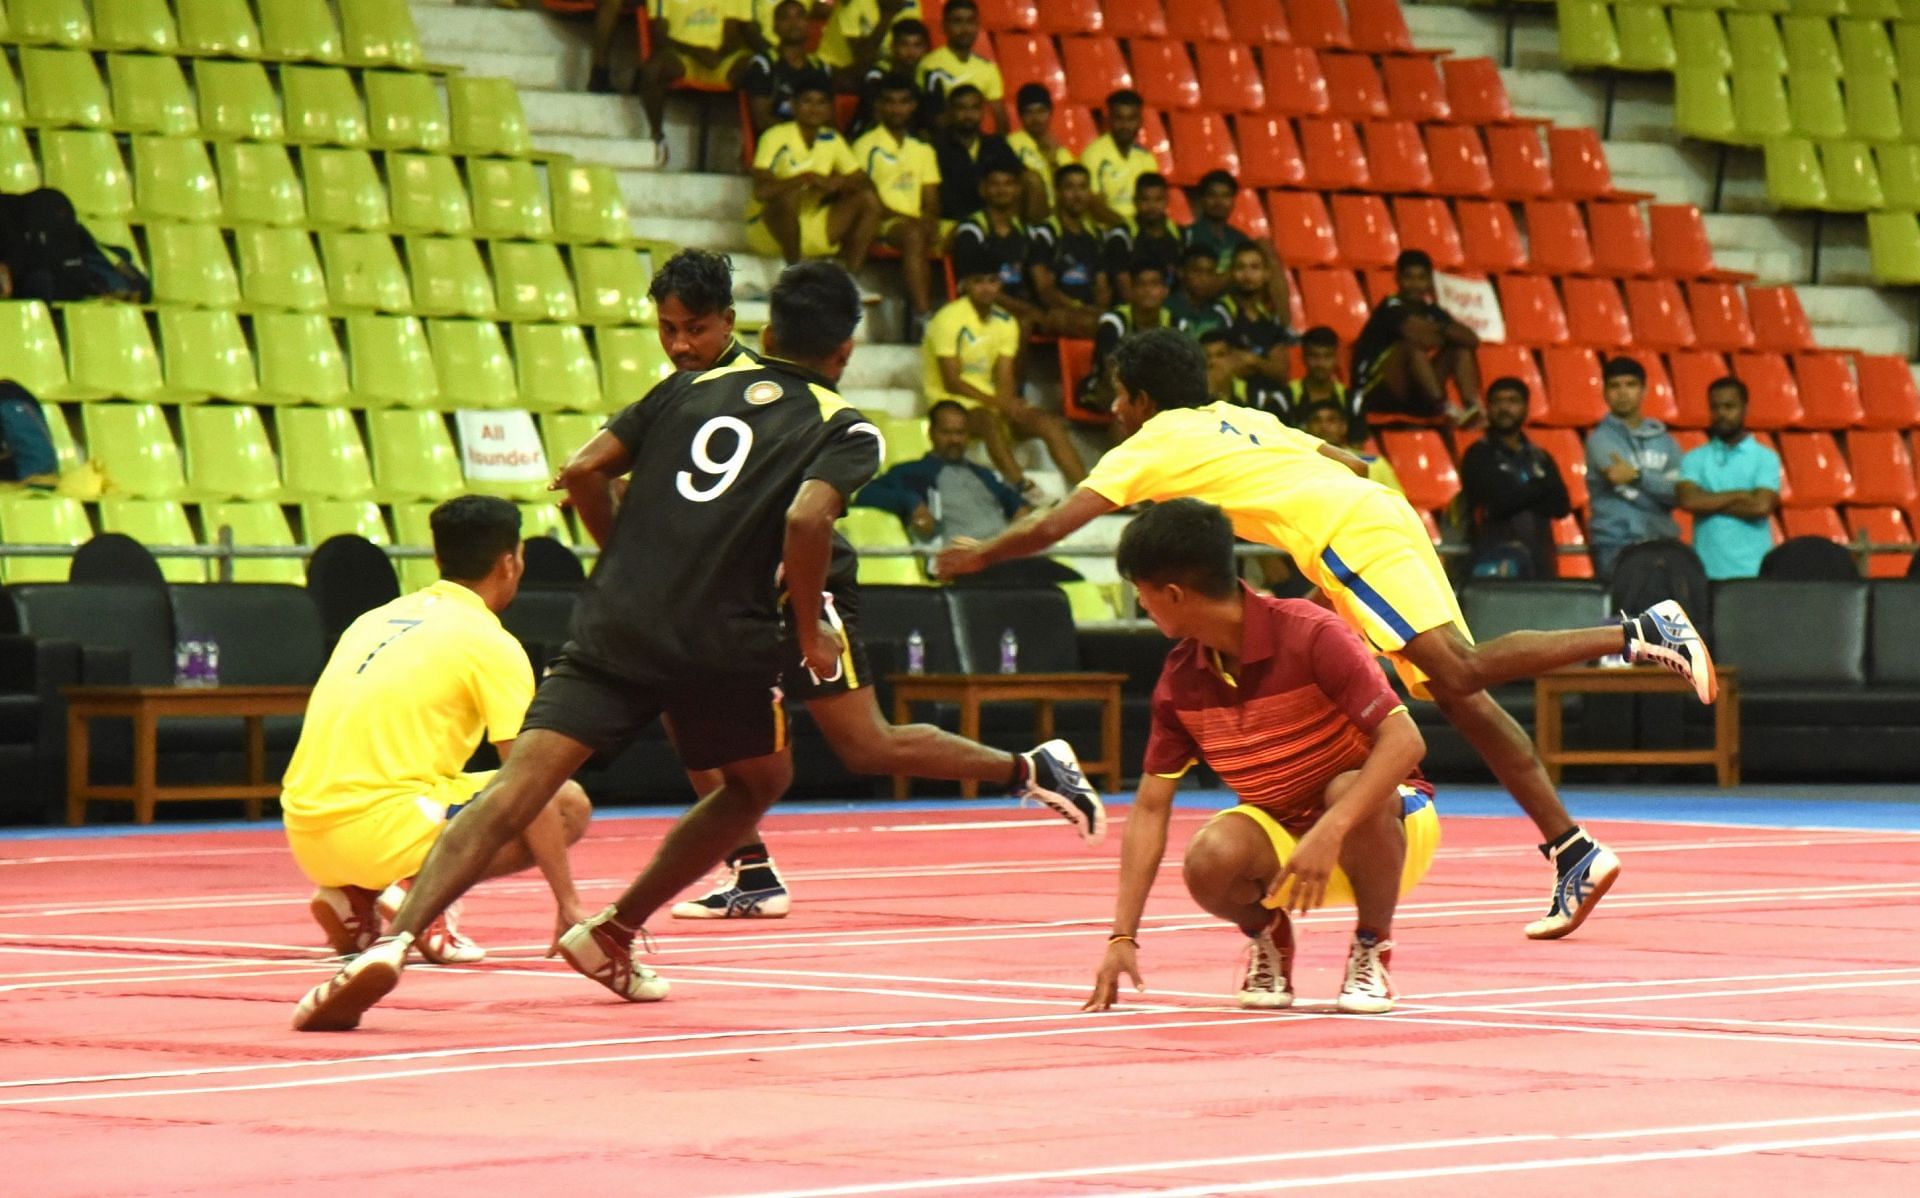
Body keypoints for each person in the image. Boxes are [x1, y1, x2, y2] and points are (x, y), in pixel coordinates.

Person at [291, 263, 1088, 1030]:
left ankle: (396, 939)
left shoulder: (687, 388)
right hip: (725, 634)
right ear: (844, 352)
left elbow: (580, 471)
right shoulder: (846, 426)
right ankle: (617, 927)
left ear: (762, 330)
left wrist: (627, 558)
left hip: (619, 620)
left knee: (517, 787)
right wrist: (808, 627)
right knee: (760, 780)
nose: (679, 341)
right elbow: (809, 520)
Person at [938, 329, 1725, 943]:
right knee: (1450, 686)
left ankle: (1636, 630)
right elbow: (1349, 458)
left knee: (1463, 668)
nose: (1113, 413)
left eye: (1116, 399)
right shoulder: (1237, 417)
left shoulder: (1147, 445)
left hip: (1345, 532)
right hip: (1372, 512)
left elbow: (1053, 526)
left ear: (1140, 400)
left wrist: (981, 553)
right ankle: (1572, 851)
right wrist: (1319, 568)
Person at [632, 251, 1100, 918]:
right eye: (670, 329)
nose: (681, 344)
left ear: (744, 330)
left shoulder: (804, 406)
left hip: (801, 586)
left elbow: (805, 517)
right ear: (845, 347)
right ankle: (753, 869)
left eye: (693, 330)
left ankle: (1031, 769)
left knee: (865, 744)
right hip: (730, 587)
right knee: (682, 709)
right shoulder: (693, 390)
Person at [1083, 499, 1439, 1015]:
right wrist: (1122, 937)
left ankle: (1371, 946)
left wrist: (1331, 828)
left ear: (1174, 594)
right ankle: (1270, 936)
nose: (1141, 603)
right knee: (1210, 857)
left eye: (1142, 591)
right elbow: (1151, 808)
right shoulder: (1180, 679)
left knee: (1347, 791)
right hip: (1288, 842)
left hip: (1388, 827)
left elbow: (1406, 741)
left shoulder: (1313, 633)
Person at [284, 496, 592, 966]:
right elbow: (532, 782)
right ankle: (420, 892)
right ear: (510, 563)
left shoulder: (375, 618)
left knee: (446, 791)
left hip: (305, 832)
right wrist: (568, 901)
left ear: (437, 558)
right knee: (567, 801)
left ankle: (357, 898)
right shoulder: (492, 643)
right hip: (383, 834)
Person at [923, 245, 1088, 491]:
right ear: (966, 284)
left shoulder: (1006, 322)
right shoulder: (948, 319)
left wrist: (1009, 405)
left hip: (991, 400)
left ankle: (1090, 492)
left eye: (993, 281)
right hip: (951, 403)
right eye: (979, 282)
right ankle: (1023, 487)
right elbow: (952, 381)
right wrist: (1000, 404)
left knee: (1047, 422)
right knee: (989, 420)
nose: (987, 288)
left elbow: (1005, 375)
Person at [745, 72, 880, 271]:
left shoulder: (832, 139)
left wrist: (838, 182)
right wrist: (807, 178)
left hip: (815, 227)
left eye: (821, 103)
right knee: (788, 196)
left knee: (868, 199)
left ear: (830, 108)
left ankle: (852, 281)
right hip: (770, 232)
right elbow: (762, 192)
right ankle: (794, 272)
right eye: (807, 101)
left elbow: (865, 182)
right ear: (793, 105)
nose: (814, 109)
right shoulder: (775, 136)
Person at [854, 399, 1030, 545]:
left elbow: (1012, 500)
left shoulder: (983, 474)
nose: (954, 440)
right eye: (946, 433)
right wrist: (911, 502)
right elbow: (865, 495)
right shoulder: (911, 472)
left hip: (1002, 553)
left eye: (960, 433)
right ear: (931, 433)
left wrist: (1018, 508)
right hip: (959, 558)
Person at [1350, 250, 1482, 434]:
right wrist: (1443, 330)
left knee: (1459, 348)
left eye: (1421, 278)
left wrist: (1440, 329)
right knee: (1409, 348)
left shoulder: (1431, 310)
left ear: (1429, 282)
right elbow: (1422, 338)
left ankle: (1472, 407)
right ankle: (1443, 407)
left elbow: (1471, 339)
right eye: (1409, 278)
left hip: (1414, 394)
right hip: (1378, 391)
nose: (1415, 284)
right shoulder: (1390, 307)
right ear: (1398, 279)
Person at [852, 73, 942, 333]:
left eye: (903, 102)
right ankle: (924, 317)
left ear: (913, 106)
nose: (897, 108)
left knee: (956, 236)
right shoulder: (866, 145)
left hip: (913, 222)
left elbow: (931, 199)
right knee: (914, 235)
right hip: (882, 222)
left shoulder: (923, 149)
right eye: (890, 102)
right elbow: (865, 198)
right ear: (879, 106)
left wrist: (930, 219)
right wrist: (913, 221)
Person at [1460, 377, 1572, 579]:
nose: (1505, 408)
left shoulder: (1540, 457)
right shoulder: (1478, 455)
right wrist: (1540, 488)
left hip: (1539, 561)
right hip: (1493, 562)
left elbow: (1561, 505)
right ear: (1488, 407)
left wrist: (1519, 493)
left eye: (1513, 401)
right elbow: (1498, 504)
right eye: (1498, 401)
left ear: (1526, 408)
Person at [1677, 376, 1781, 581]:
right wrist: (1741, 495)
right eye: (1715, 407)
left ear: (1745, 408)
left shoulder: (1765, 457)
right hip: (1705, 570)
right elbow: (1688, 501)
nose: (1722, 414)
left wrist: (1707, 501)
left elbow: (1761, 507)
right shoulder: (1694, 457)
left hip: (1753, 569)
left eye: (1729, 406)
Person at [1587, 355, 1682, 579]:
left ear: (1644, 390)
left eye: (1630, 385)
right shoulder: (1600, 440)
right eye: (1615, 386)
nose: (1623, 393)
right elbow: (1618, 477)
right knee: (1623, 613)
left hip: (1662, 541)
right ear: (1605, 393)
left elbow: (1679, 493)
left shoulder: (1666, 441)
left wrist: (1638, 477)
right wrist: (1661, 492)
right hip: (1616, 543)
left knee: (1660, 612)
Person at [635, 0, 757, 164]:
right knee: (652, 69)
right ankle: (657, 137)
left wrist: (718, 55)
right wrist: (695, 51)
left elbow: (733, 34)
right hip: (683, 56)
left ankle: (751, 147)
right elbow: (660, 37)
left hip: (721, 59)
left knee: (758, 70)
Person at [949, 161, 1043, 330]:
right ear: (983, 189)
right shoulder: (972, 230)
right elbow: (971, 286)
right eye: (995, 184)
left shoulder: (1026, 231)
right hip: (982, 305)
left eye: (1008, 184)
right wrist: (1025, 309)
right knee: (1023, 323)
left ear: (1018, 190)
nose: (1002, 190)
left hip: (1022, 305)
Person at [1027, 164, 1110, 340]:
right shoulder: (1045, 234)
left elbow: (1102, 286)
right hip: (1055, 313)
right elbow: (1044, 290)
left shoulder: (1095, 236)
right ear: (1058, 192)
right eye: (1070, 187)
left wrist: (1099, 307)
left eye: (1082, 187)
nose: (1077, 195)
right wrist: (1079, 307)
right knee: (1098, 326)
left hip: (1089, 313)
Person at [1081, 259, 1174, 413]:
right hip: (1107, 390)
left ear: (1165, 290)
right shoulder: (1114, 321)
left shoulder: (1176, 323)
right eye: (1141, 284)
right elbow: (1111, 368)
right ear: (1131, 289)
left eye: (1154, 284)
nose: (1147, 290)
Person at [1216, 244, 1293, 416]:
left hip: (1266, 403)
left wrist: (1252, 360)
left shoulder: (1270, 318)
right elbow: (1224, 365)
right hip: (1230, 403)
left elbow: (1281, 370)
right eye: (1241, 267)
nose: (1247, 275)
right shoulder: (1221, 312)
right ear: (1231, 273)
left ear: (1266, 274)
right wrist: (1263, 362)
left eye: (1254, 267)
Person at [931, 85, 1021, 224]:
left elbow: (1017, 180)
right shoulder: (936, 148)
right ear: (950, 111)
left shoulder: (996, 144)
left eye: (974, 108)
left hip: (995, 222)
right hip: (952, 223)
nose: (968, 114)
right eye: (961, 108)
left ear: (982, 111)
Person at [740, 0, 832, 133]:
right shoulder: (763, 65)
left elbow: (829, 121)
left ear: (808, 25)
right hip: (778, 144)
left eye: (799, 17)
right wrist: (802, 133)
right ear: (775, 27)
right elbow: (762, 121)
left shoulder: (820, 67)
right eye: (785, 18)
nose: (793, 24)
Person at [848, 17, 939, 137]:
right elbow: (875, 113)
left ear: (926, 49)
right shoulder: (877, 74)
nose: (910, 52)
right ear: (893, 46)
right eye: (904, 44)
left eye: (917, 45)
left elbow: (935, 119)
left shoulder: (929, 77)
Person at [1102, 173, 1183, 305]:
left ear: (1167, 201)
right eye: (1145, 200)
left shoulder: (1179, 235)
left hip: (1169, 311)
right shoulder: (1122, 236)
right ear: (1135, 201)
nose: (1152, 206)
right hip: (1133, 310)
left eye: (1158, 200)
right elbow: (1125, 291)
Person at [1082, 89, 1159, 227]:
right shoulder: (1094, 154)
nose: (1125, 126)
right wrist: (1126, 227)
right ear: (1109, 119)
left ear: (1140, 121)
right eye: (1119, 118)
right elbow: (1093, 205)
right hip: (1105, 233)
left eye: (1131, 119)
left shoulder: (1147, 158)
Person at [1295, 399, 1403, 496]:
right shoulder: (1298, 464)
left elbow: (1398, 502)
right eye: (1316, 421)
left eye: (1331, 420)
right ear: (1307, 428)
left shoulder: (1375, 463)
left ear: (1343, 427)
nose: (1324, 426)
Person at [917, 0, 1002, 121]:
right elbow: (929, 116)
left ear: (977, 26)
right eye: (957, 21)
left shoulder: (988, 68)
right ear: (944, 26)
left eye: (970, 21)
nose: (965, 28)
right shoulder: (929, 65)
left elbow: (999, 116)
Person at [1006, 83, 1076, 221]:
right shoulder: (1010, 144)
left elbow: (1068, 192)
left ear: (1050, 113)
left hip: (1057, 215)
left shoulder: (1062, 153)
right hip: (1023, 216)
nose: (1036, 118)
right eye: (1029, 112)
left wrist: (1052, 161)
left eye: (1041, 111)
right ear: (1020, 115)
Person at [1165, 244, 1233, 338]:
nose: (1203, 279)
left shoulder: (1220, 311)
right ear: (1181, 272)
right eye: (1197, 271)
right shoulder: (1167, 309)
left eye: (1209, 272)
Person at [1284, 325, 1351, 419]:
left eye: (1327, 356)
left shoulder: (1349, 399)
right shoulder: (1286, 397)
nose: (1320, 363)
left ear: (1336, 358)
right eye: (1314, 356)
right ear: (1303, 357)